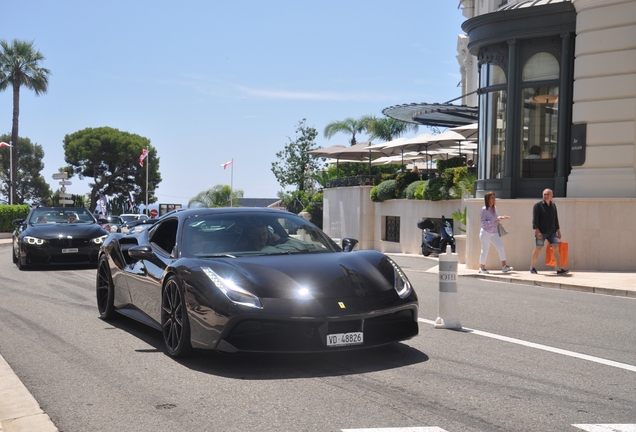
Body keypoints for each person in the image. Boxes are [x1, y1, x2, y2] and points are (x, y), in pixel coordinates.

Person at [530, 188, 568, 275]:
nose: (546, 196)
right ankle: (532, 267)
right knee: (538, 248)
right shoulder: (538, 206)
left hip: (552, 231)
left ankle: (559, 268)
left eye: (547, 195)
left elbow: (555, 219)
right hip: (541, 232)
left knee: (556, 248)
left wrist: (558, 230)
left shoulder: (553, 206)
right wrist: (537, 231)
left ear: (552, 196)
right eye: (544, 194)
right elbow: (535, 220)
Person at [479, 191, 512, 274]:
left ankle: (504, 266)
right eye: (492, 197)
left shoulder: (495, 208)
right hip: (486, 232)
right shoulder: (484, 209)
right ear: (488, 199)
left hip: (494, 232)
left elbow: (495, 218)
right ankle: (481, 267)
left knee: (500, 247)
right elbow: (483, 222)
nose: (494, 199)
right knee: (485, 250)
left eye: (494, 197)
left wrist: (501, 217)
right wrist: (493, 222)